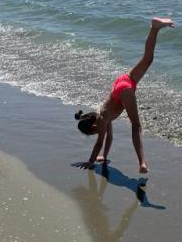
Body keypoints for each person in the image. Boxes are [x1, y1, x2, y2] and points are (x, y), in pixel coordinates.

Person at [75, 18, 175, 173]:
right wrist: (104, 156)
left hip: (123, 90)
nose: (98, 133)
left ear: (93, 127)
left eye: (94, 133)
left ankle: (142, 163)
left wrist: (90, 161)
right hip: (123, 80)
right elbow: (109, 138)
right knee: (147, 59)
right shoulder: (102, 115)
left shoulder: (102, 120)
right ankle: (154, 28)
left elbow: (100, 142)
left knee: (136, 126)